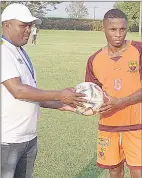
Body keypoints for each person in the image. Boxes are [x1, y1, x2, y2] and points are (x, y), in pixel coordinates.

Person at [1, 3, 86, 178]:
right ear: (7, 25)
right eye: (23, 25)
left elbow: (32, 94)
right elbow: (18, 91)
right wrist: (60, 94)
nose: (28, 30)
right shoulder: (3, 52)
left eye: (30, 25)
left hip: (28, 137)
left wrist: (63, 104)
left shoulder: (20, 52)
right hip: (7, 139)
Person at [85, 9, 142, 178]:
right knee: (115, 171)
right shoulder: (94, 60)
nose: (118, 34)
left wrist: (121, 102)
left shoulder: (139, 50)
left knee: (138, 171)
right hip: (108, 126)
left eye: (122, 29)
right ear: (103, 29)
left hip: (137, 126)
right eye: (113, 30)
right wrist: (87, 106)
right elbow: (92, 95)